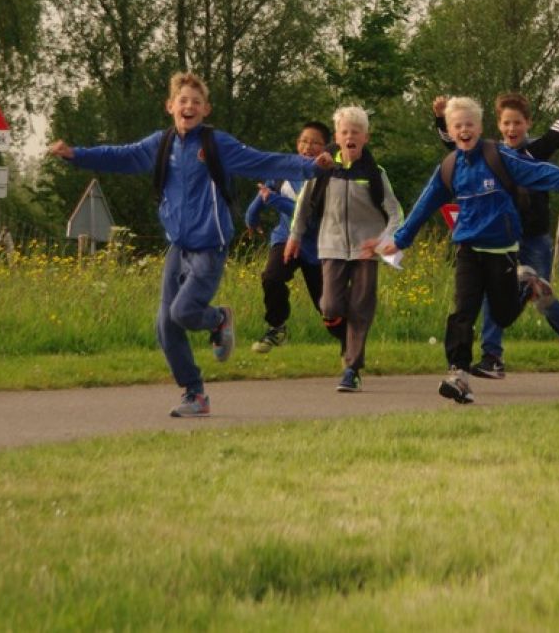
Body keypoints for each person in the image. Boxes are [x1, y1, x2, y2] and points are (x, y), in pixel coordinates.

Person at [48, 71, 332, 418]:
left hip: (210, 246)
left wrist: (310, 165)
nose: (189, 106)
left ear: (206, 109)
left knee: (182, 312)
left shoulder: (216, 145)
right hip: (178, 247)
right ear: (170, 106)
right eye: (183, 100)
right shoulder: (161, 144)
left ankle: (218, 319)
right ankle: (195, 394)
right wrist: (76, 155)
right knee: (165, 326)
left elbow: (264, 160)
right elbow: (120, 156)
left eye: (196, 102)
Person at [384, 97, 559, 404]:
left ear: (480, 128)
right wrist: (400, 239)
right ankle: (458, 375)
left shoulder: (498, 157)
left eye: (469, 124)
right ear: (450, 131)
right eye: (457, 126)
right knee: (463, 311)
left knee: (502, 314)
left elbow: (537, 172)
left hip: (502, 249)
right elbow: (425, 204)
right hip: (468, 249)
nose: (464, 130)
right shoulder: (449, 168)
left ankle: (527, 287)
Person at [431, 92, 559, 377]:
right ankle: (492, 357)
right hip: (500, 239)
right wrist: (442, 119)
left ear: (527, 124)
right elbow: (454, 144)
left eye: (517, 123)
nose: (511, 129)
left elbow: (555, 136)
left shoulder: (534, 151)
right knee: (493, 293)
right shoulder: (489, 154)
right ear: (498, 125)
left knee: (542, 297)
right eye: (506, 123)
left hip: (533, 238)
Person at [286, 106, 402, 393]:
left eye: (356, 132)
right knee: (330, 305)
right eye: (345, 132)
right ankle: (346, 331)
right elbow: (303, 206)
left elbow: (395, 213)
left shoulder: (375, 173)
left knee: (361, 308)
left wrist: (385, 241)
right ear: (337, 137)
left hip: (366, 251)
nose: (350, 136)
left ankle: (352, 369)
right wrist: (294, 237)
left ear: (365, 138)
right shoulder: (323, 169)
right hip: (331, 246)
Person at [245, 121, 336, 354]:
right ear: (297, 144)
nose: (308, 147)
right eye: (304, 141)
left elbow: (308, 216)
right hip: (285, 239)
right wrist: (251, 218)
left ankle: (350, 341)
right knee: (272, 278)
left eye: (315, 143)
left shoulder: (329, 177)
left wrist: (274, 200)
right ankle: (277, 327)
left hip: (316, 247)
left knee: (327, 306)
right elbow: (263, 194)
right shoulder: (283, 169)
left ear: (325, 148)